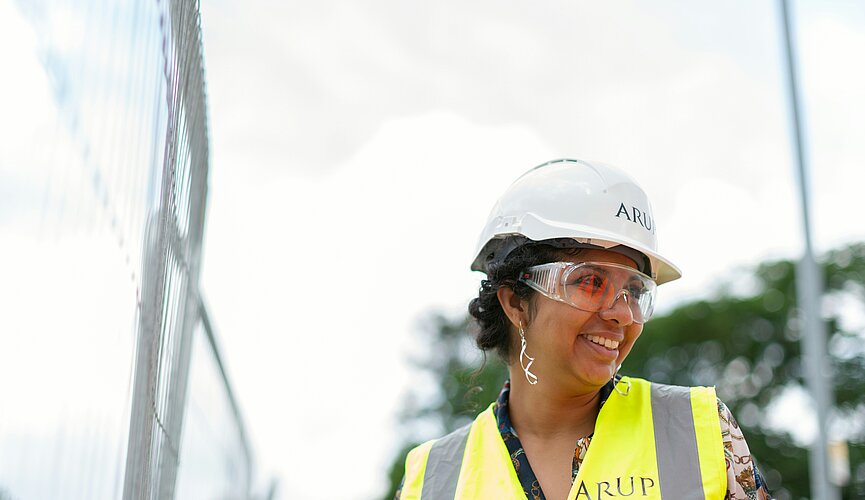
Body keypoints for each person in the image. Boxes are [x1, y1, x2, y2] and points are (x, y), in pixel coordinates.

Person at [395, 159, 772, 500]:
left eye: (635, 291)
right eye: (591, 282)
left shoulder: (698, 431)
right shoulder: (432, 479)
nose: (623, 313)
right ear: (516, 303)